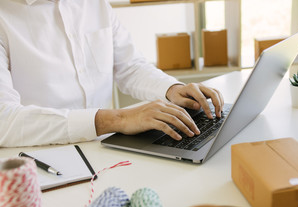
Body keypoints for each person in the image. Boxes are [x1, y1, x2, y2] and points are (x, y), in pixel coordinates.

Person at [0, 0, 224, 147]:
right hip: (43, 156)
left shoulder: (95, 4)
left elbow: (130, 67)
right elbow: (4, 119)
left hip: (107, 147)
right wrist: (118, 119)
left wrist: (172, 89)